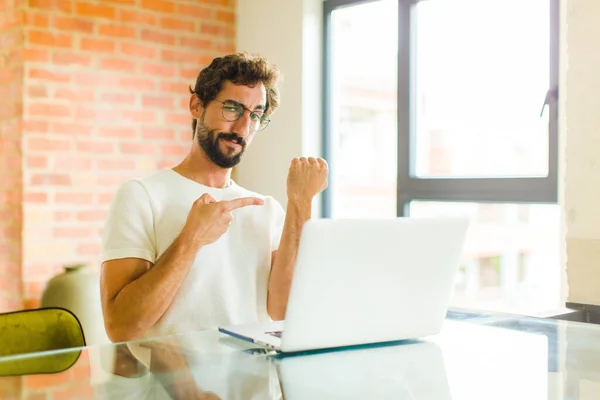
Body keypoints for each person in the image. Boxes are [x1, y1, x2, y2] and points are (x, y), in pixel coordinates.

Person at [99, 53, 328, 343]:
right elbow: (122, 328)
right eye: (233, 108)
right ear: (196, 105)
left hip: (252, 385)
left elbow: (284, 309)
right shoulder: (140, 196)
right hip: (171, 386)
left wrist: (300, 202)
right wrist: (192, 239)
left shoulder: (266, 209)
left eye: (256, 115)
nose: (243, 128)